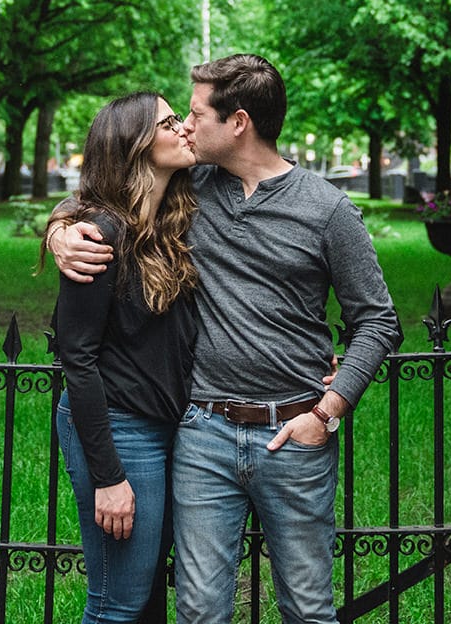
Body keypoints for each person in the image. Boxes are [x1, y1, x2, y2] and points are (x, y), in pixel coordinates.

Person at [51, 55, 401, 624]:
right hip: (202, 435)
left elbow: (378, 320)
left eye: (193, 113)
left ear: (238, 122)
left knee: (309, 608)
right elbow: (112, 192)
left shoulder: (327, 209)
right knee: (198, 611)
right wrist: (62, 229)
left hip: (293, 435)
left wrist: (330, 410)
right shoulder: (194, 190)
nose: (185, 126)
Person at [52, 91, 200, 623]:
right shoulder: (99, 234)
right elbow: (78, 357)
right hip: (119, 427)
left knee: (142, 600)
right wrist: (108, 477)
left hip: (169, 427)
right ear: (134, 145)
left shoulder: (172, 222)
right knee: (118, 603)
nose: (183, 128)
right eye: (168, 122)